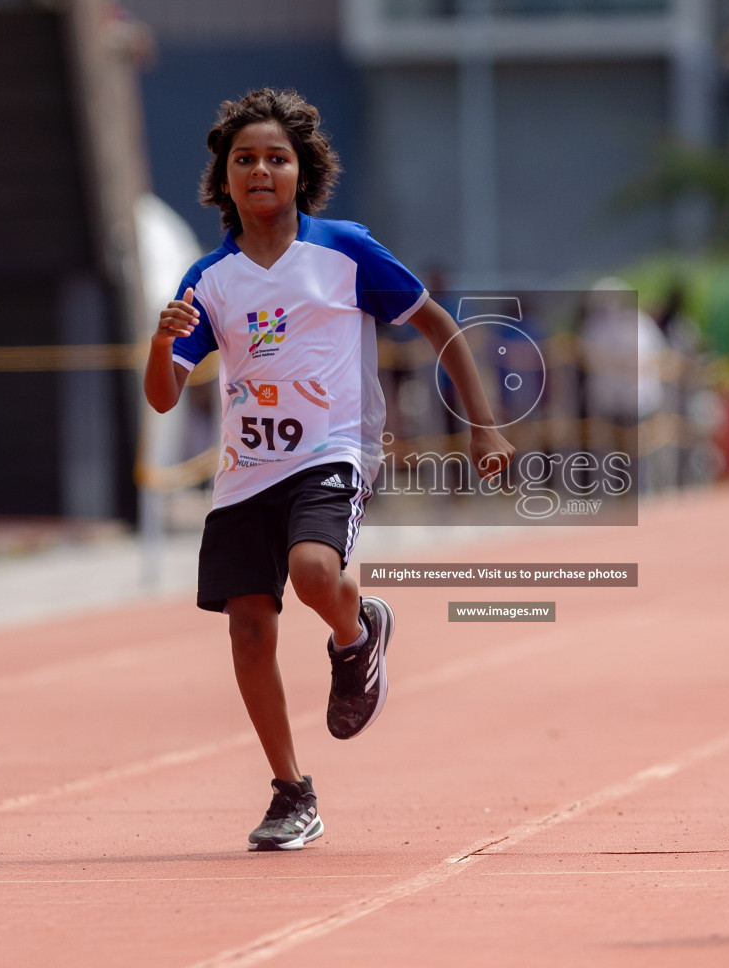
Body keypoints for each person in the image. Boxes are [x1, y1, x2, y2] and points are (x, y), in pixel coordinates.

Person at [143, 88, 514, 851]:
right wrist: (161, 344)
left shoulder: (343, 250)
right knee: (249, 629)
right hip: (247, 470)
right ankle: (291, 791)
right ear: (224, 176)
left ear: (301, 172)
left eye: (276, 158)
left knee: (313, 571)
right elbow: (162, 396)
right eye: (244, 159)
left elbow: (438, 324)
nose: (260, 170)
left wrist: (484, 427)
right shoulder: (207, 279)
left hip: (332, 450)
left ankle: (351, 636)